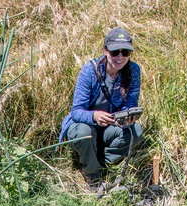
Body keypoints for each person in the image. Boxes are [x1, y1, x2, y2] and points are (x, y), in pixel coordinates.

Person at [59, 28, 145, 190]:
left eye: (125, 52)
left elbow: (131, 101)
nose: (120, 57)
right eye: (115, 52)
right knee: (84, 133)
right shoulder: (89, 71)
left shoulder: (134, 71)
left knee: (136, 131)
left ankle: (98, 161)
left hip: (109, 126)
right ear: (105, 51)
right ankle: (92, 175)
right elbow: (77, 111)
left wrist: (128, 115)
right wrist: (94, 116)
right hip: (83, 126)